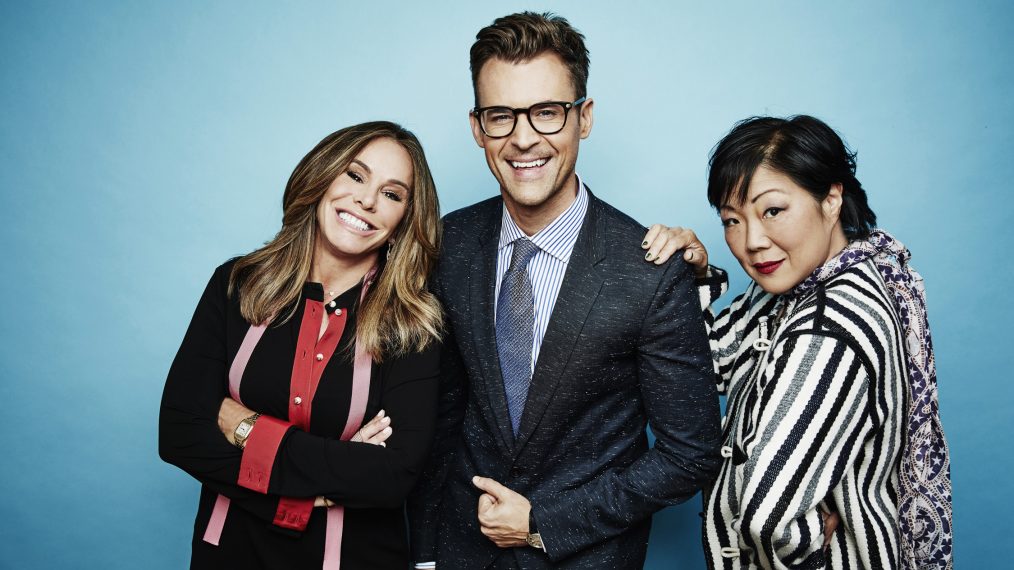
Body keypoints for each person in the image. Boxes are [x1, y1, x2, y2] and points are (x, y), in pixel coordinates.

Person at [407, 12, 722, 570]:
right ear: (478, 127)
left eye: (547, 112)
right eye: (501, 116)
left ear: (584, 118)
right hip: (460, 555)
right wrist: (426, 554)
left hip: (585, 557)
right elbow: (444, 415)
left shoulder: (651, 268)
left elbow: (688, 454)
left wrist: (544, 524)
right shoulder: (446, 244)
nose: (523, 138)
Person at [643, 115, 953, 569]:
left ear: (831, 198)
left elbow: (767, 515)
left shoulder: (829, 325)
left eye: (772, 211)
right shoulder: (807, 284)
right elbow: (706, 365)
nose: (752, 241)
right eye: (732, 220)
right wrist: (691, 280)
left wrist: (805, 552)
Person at [159, 121, 444, 569]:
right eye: (355, 175)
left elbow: (393, 476)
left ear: (403, 221)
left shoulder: (414, 325)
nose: (367, 200)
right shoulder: (237, 285)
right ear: (322, 175)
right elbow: (178, 433)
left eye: (392, 194)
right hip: (229, 557)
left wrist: (245, 426)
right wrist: (332, 476)